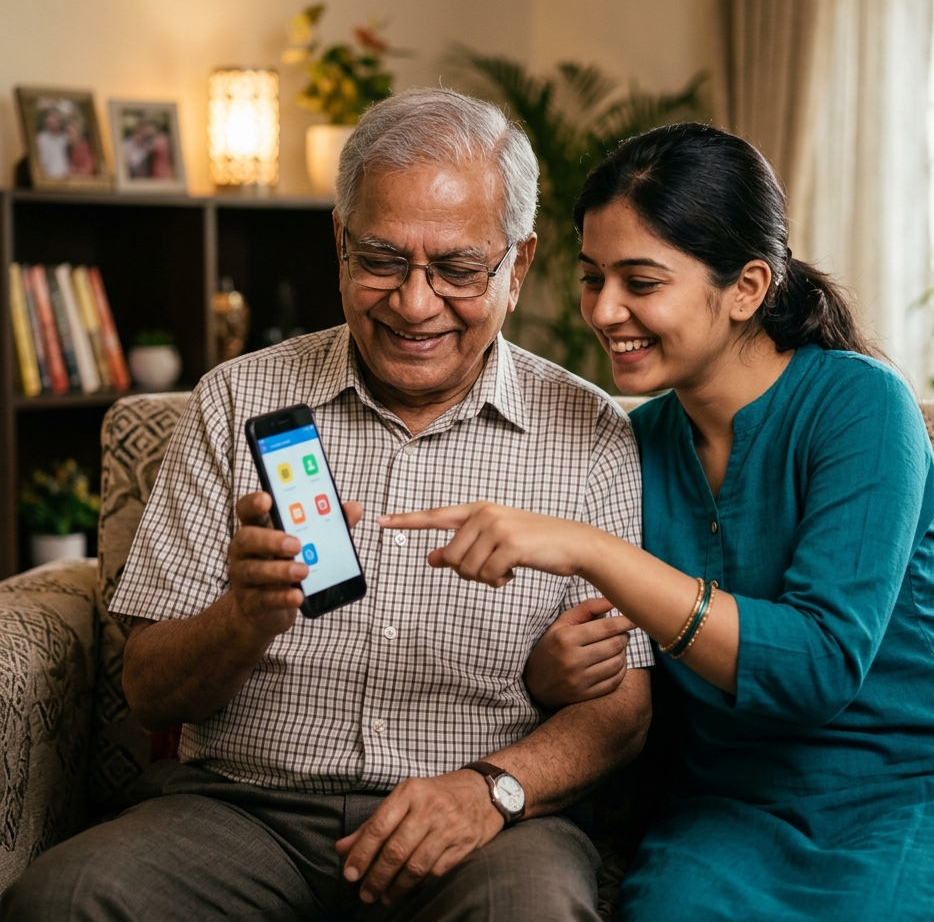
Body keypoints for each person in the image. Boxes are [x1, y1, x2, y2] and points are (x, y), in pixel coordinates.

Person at [0, 90, 653, 922]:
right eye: (381, 260)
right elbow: (150, 693)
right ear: (339, 244)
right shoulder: (236, 401)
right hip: (240, 811)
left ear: (517, 266)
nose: (415, 305)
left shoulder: (591, 433)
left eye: (457, 269)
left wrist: (492, 790)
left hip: (475, 822)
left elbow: (621, 708)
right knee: (65, 900)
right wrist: (244, 616)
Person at [383, 122, 934, 921]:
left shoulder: (860, 405)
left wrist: (592, 550)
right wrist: (552, 673)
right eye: (592, 277)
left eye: (641, 282)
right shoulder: (634, 443)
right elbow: (623, 666)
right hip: (733, 808)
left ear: (748, 287)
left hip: (914, 787)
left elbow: (817, 667)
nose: (605, 310)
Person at [35, 106, 69, 178]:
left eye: (56, 119)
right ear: (46, 121)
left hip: (65, 181)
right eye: (51, 120)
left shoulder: (64, 138)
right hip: (48, 181)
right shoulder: (40, 139)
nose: (54, 122)